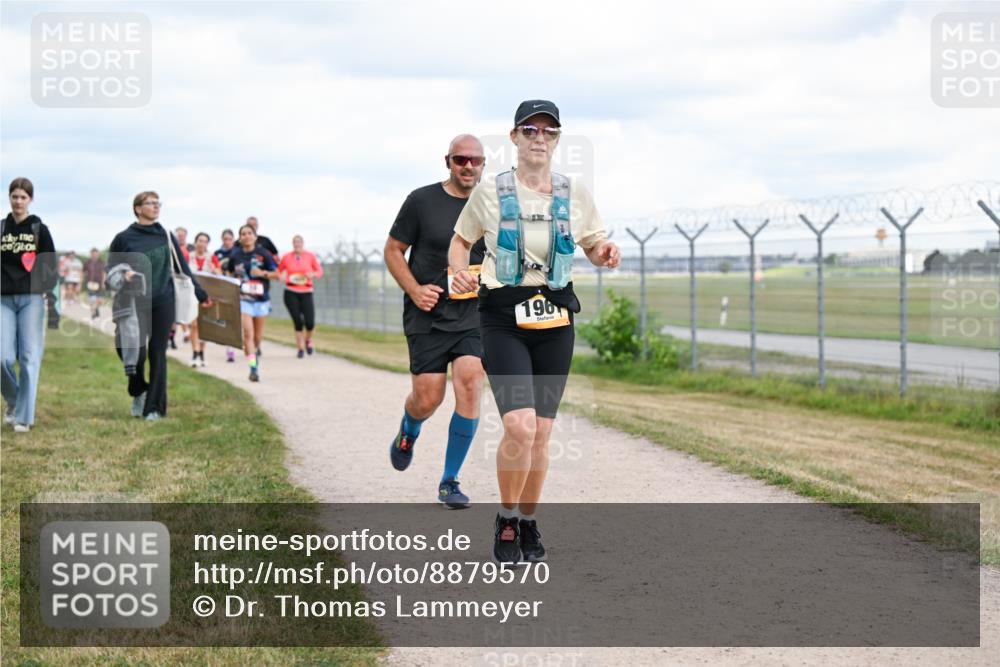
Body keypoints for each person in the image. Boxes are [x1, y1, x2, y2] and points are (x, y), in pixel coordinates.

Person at [449, 101, 620, 562]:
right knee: (519, 427)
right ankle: (505, 518)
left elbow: (591, 242)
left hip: (555, 319)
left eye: (549, 130)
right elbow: (461, 241)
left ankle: (527, 520)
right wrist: (458, 272)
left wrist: (603, 252)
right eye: (530, 129)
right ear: (515, 137)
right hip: (503, 317)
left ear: (558, 139)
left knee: (542, 433)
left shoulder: (573, 191)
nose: (539, 137)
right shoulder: (490, 191)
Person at [385, 134, 488, 508]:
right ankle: (409, 430)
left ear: (483, 165)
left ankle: (450, 480)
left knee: (471, 380)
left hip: (473, 314)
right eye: (460, 159)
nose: (468, 166)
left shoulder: (492, 205)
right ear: (448, 161)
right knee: (429, 398)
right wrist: (414, 289)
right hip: (426, 312)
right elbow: (393, 250)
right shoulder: (422, 201)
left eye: (475, 161)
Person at [107, 191, 209, 421]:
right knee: (131, 350)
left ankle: (154, 407)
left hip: (163, 299)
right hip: (132, 302)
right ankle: (138, 388)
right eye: (150, 203)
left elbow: (183, 268)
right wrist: (125, 274)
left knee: (157, 352)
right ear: (137, 208)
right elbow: (110, 270)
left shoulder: (166, 235)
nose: (156, 206)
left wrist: (201, 294)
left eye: (157, 203)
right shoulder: (124, 238)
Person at [1, 177, 58, 433]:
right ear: (9, 198)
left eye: (23, 197)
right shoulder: (1, 228)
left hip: (32, 299)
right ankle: (13, 401)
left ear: (30, 200)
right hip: (3, 298)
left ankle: (24, 417)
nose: (18, 201)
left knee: (29, 358)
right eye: (14, 196)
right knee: (3, 358)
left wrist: (51, 299)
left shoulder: (39, 230)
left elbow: (49, 265)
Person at [223, 224, 278, 382]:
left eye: (249, 233)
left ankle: (254, 353)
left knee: (257, 338)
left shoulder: (264, 254)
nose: (246, 236)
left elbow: (277, 274)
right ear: (240, 238)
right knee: (248, 334)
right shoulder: (236, 255)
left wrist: (263, 273)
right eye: (243, 234)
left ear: (255, 236)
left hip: (261, 300)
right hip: (244, 299)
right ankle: (253, 367)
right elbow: (229, 272)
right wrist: (234, 281)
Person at [277, 235, 323, 358]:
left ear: (303, 243)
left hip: (306, 291)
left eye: (299, 242)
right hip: (291, 291)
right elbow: (279, 270)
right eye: (295, 242)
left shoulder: (310, 256)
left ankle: (308, 340)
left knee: (310, 322)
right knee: (298, 321)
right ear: (292, 244)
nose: (297, 244)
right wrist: (281, 276)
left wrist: (313, 274)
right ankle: (300, 348)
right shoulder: (286, 257)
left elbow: (319, 271)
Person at [187, 232, 221, 367]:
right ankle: (195, 353)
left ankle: (202, 353)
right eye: (200, 241)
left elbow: (220, 274)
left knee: (204, 325)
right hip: (192, 294)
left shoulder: (211, 257)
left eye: (205, 241)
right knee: (194, 325)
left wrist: (214, 270)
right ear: (195, 242)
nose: (202, 244)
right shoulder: (188, 257)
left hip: (207, 295)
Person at [214, 228, 238, 363]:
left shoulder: (238, 252)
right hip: (223, 289)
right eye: (225, 239)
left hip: (237, 288)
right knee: (228, 319)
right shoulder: (217, 254)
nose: (227, 242)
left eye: (230, 239)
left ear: (233, 240)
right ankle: (230, 349)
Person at [82, 247, 106, 320]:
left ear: (98, 254)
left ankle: (96, 309)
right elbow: (83, 273)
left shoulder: (101, 263)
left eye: (96, 254)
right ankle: (93, 314)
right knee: (92, 300)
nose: (94, 255)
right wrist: (81, 283)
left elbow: (104, 273)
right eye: (93, 254)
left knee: (100, 300)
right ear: (91, 254)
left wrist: (103, 282)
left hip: (99, 284)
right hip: (91, 284)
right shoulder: (87, 263)